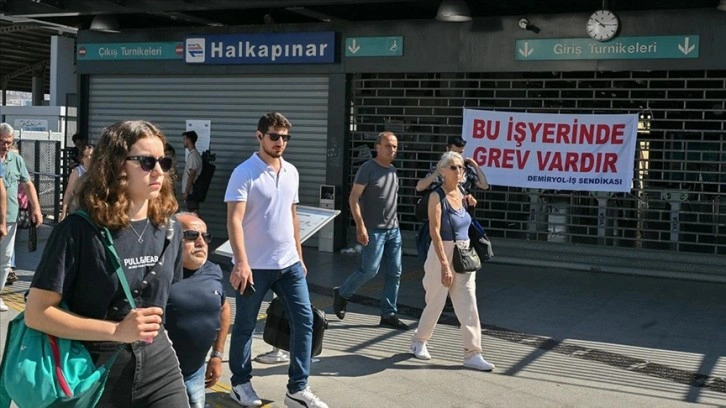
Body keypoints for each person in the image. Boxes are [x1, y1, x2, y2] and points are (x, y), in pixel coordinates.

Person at [24, 120, 190, 406]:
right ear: (116, 165)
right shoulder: (78, 230)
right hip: (92, 368)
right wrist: (116, 331)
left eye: (164, 161)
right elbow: (36, 313)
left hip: (158, 364)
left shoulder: (170, 228)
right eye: (147, 162)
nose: (160, 171)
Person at [225, 112, 327, 408]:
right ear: (259, 136)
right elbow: (234, 219)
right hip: (254, 266)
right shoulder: (244, 172)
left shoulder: (292, 172)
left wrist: (300, 254)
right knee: (244, 326)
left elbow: (292, 217)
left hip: (289, 264)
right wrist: (241, 262)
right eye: (274, 136)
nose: (280, 142)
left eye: (285, 137)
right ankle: (240, 384)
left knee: (305, 320)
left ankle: (298, 388)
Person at [409, 151, 495, 372]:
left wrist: (471, 207)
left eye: (461, 168)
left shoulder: (463, 192)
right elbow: (435, 232)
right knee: (436, 301)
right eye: (454, 167)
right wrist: (444, 265)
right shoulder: (436, 196)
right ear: (442, 171)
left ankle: (473, 353)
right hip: (442, 253)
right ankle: (419, 340)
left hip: (464, 252)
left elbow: (464, 222)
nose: (459, 171)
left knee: (468, 304)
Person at [333, 131, 408, 330]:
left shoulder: (392, 170)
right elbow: (353, 198)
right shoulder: (368, 168)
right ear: (378, 147)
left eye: (394, 146)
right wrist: (360, 226)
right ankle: (342, 293)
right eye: (388, 145)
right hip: (373, 230)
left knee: (395, 273)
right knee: (370, 270)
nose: (392, 149)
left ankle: (388, 313)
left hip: (393, 230)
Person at [166, 212, 231, 408]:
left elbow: (223, 308)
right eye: (192, 235)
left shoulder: (213, 270)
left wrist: (217, 356)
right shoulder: (160, 274)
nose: (201, 242)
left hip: (195, 372)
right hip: (161, 377)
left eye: (206, 236)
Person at [0, 123, 42, 306]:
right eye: (1, 142)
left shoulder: (15, 160)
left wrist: (36, 209)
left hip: (10, 218)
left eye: (9, 142)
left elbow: (28, 184)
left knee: (5, 259)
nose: (5, 146)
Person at [415, 135, 489, 195]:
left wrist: (476, 166)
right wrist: (437, 173)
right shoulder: (439, 169)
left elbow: (484, 185)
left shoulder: (466, 171)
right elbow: (419, 187)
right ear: (448, 149)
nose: (456, 156)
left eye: (460, 153)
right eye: (454, 152)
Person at [60, 143, 94, 220]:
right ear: (82, 158)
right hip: (78, 208)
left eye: (91, 155)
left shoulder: (98, 171)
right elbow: (69, 192)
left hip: (93, 208)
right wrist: (64, 211)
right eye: (86, 156)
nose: (89, 158)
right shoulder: (77, 172)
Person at [182, 130, 203, 213]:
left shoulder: (193, 156)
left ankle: (198, 226)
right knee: (193, 212)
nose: (183, 141)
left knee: (193, 213)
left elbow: (192, 174)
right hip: (191, 191)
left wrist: (186, 191)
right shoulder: (194, 155)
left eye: (184, 139)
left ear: (189, 140)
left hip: (191, 191)